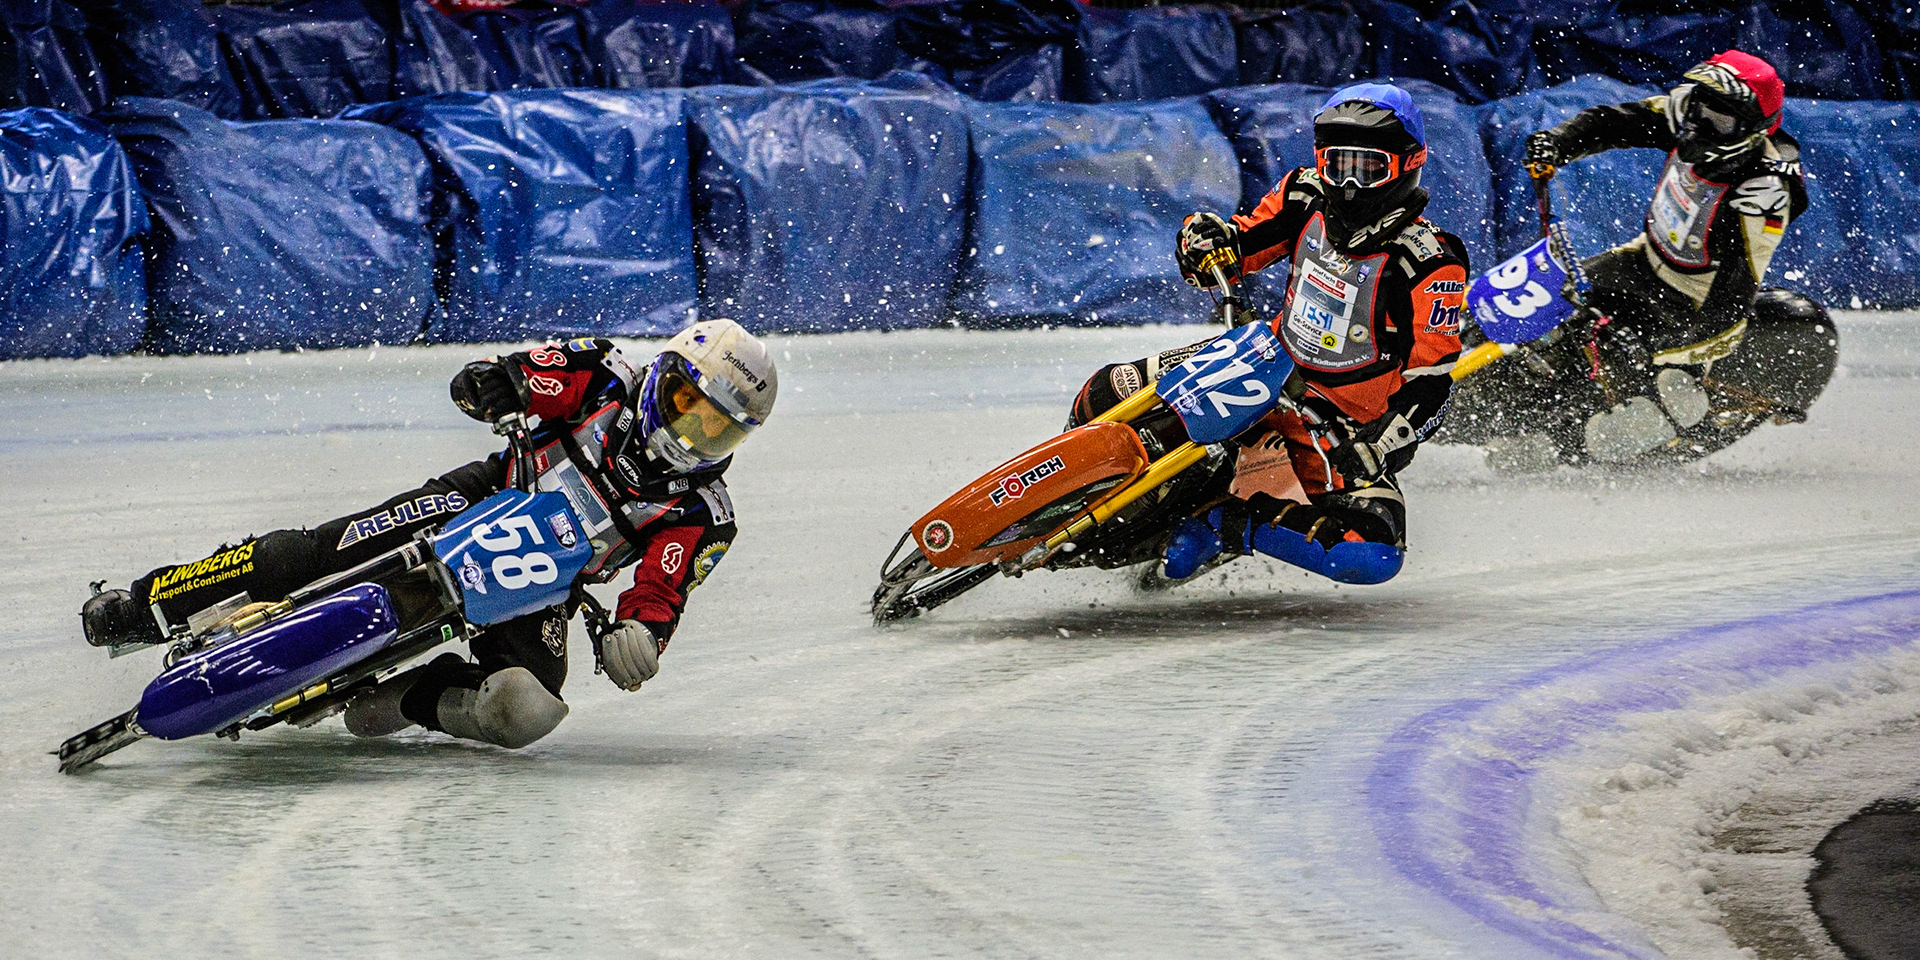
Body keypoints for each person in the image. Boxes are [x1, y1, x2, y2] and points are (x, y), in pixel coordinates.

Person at [79, 318, 776, 749]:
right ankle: (147, 605)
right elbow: (523, 374)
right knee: (314, 551)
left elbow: (662, 592)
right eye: (690, 406)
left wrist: (640, 642)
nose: (694, 432)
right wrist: (495, 384)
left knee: (529, 706)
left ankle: (418, 697)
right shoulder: (608, 372)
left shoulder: (705, 514)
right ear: (668, 375)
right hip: (480, 494)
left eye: (719, 427)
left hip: (550, 584)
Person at [1068, 82, 1466, 586]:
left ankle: (1228, 524)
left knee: (1372, 554)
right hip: (1260, 359)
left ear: (1410, 164)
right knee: (1108, 388)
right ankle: (1064, 491)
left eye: (1369, 169)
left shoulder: (1430, 261)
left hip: (1334, 421)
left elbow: (1432, 382)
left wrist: (1379, 446)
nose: (1348, 186)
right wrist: (1204, 239)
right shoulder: (1303, 194)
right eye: (1336, 165)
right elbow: (1237, 246)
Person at [1453, 49, 1818, 466]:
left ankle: (1562, 445)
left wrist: (1665, 351)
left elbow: (1731, 298)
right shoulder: (1687, 114)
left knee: (1672, 395)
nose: (1698, 124)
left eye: (1718, 120)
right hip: (1642, 258)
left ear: (1752, 132)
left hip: (1691, 299)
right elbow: (1615, 122)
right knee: (1549, 302)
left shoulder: (1765, 193)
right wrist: (1559, 143)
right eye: (1699, 108)